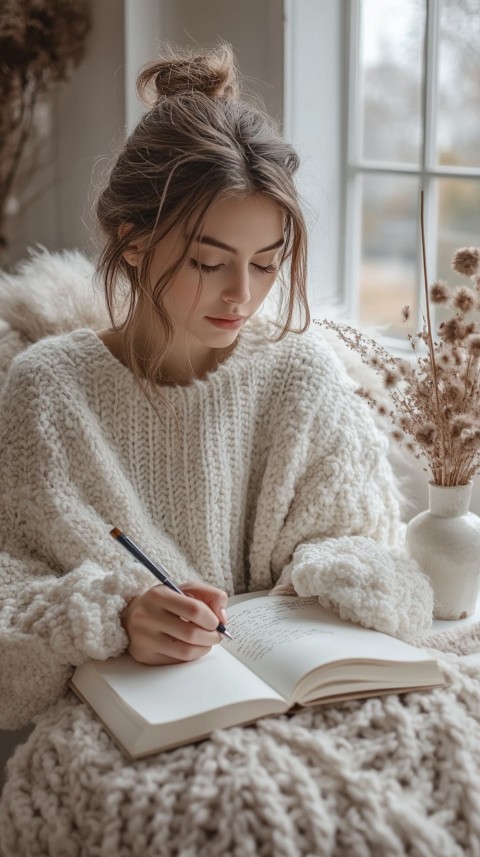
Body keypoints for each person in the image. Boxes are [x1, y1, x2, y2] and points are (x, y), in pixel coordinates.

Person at [0, 45, 435, 856]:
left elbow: (389, 576)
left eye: (268, 264)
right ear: (131, 242)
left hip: (308, 700)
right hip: (138, 716)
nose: (244, 295)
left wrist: (331, 569)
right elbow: (10, 619)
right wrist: (111, 612)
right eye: (210, 263)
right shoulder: (47, 388)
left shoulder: (300, 373)